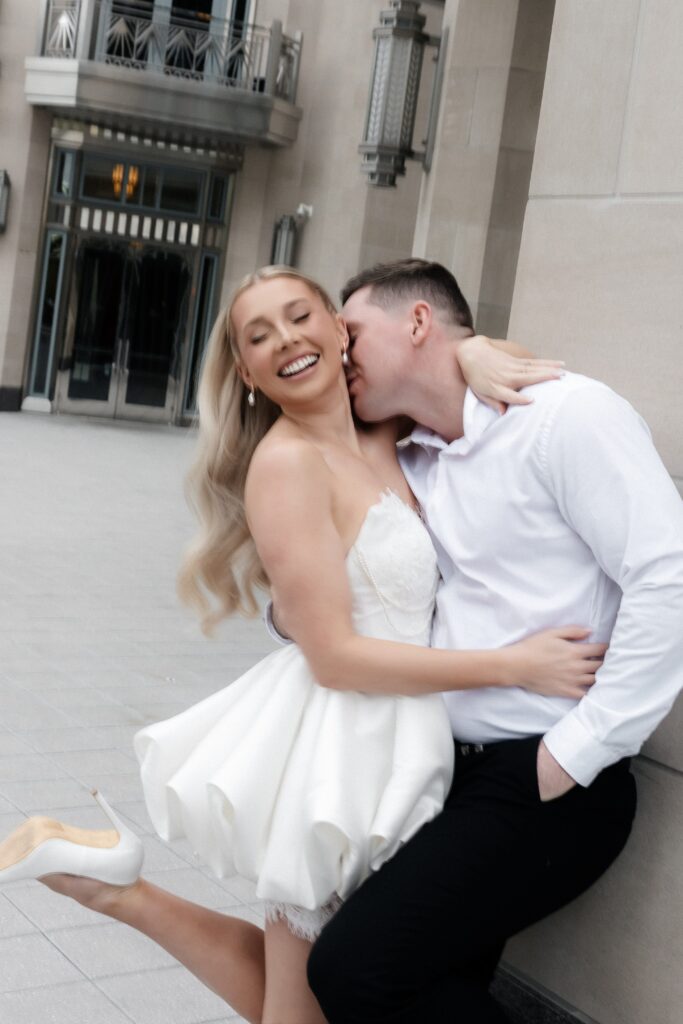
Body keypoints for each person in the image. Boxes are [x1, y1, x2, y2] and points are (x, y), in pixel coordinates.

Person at [0, 266, 605, 1024]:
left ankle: (118, 885)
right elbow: (334, 657)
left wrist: (471, 352)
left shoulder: (383, 427)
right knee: (305, 1008)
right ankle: (121, 891)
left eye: (297, 317)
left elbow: (478, 369)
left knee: (335, 985)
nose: (285, 339)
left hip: (417, 737)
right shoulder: (284, 465)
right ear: (248, 373)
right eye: (259, 336)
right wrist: (516, 663)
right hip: (341, 742)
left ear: (336, 327)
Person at [291, 258, 683, 1024]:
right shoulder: (405, 458)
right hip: (441, 775)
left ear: (416, 324)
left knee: (351, 969)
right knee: (414, 981)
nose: (340, 355)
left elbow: (667, 577)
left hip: (545, 782)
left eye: (352, 333)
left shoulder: (563, 418)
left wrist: (573, 753)